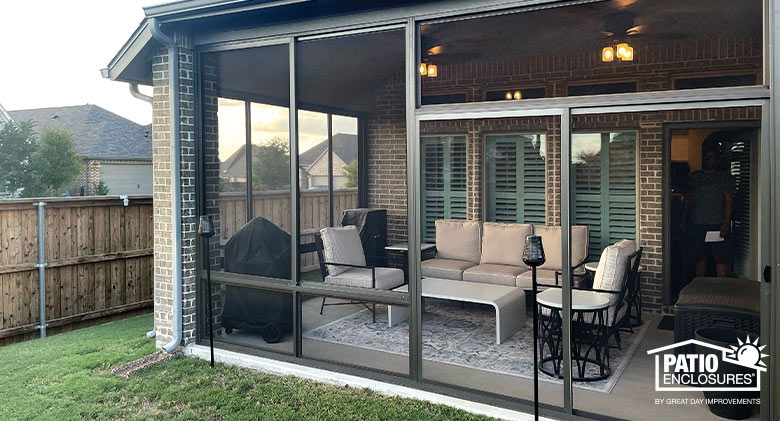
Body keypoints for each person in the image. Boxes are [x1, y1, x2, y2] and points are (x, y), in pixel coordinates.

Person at [681, 135, 735, 278]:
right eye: (705, 157)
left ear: (717, 158)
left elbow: (729, 201)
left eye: (711, 157)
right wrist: (684, 217)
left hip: (717, 224)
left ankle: (722, 289)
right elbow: (688, 199)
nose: (708, 160)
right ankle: (701, 288)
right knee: (700, 256)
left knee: (720, 258)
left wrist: (726, 223)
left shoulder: (724, 178)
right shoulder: (695, 177)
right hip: (697, 224)